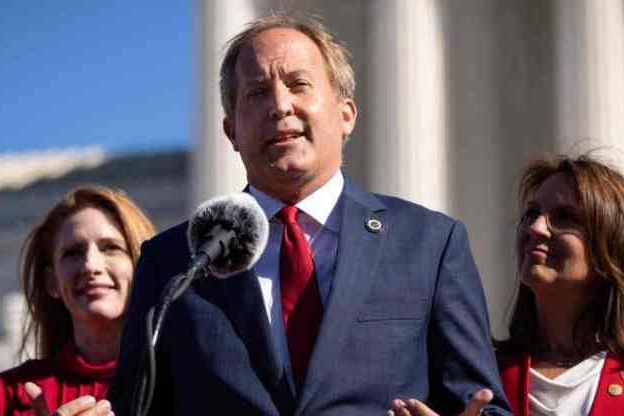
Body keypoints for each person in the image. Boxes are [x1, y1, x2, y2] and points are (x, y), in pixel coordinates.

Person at [108, 16, 510, 416]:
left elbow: (483, 404)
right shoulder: (174, 263)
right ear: (231, 131)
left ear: (346, 114)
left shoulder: (430, 244)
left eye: (298, 84)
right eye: (257, 92)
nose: (280, 106)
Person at [389, 154, 624, 416]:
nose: (536, 228)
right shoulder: (478, 379)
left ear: (612, 249)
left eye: (565, 218)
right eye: (531, 214)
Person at [0, 186, 156, 416]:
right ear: (52, 282)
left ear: (142, 267)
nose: (91, 265)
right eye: (73, 253)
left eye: (111, 248)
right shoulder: (8, 394)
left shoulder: (182, 379)